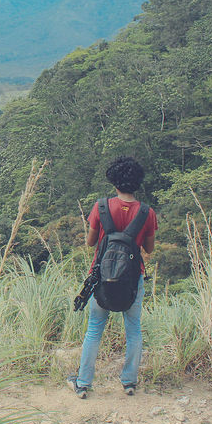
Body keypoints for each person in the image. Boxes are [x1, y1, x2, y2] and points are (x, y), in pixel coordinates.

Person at [69, 156, 157, 398]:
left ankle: (83, 382)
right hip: (132, 279)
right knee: (134, 329)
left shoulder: (101, 207)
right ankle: (129, 382)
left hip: (101, 278)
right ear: (137, 183)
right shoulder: (147, 213)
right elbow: (148, 249)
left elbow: (90, 243)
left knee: (94, 329)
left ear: (114, 181)